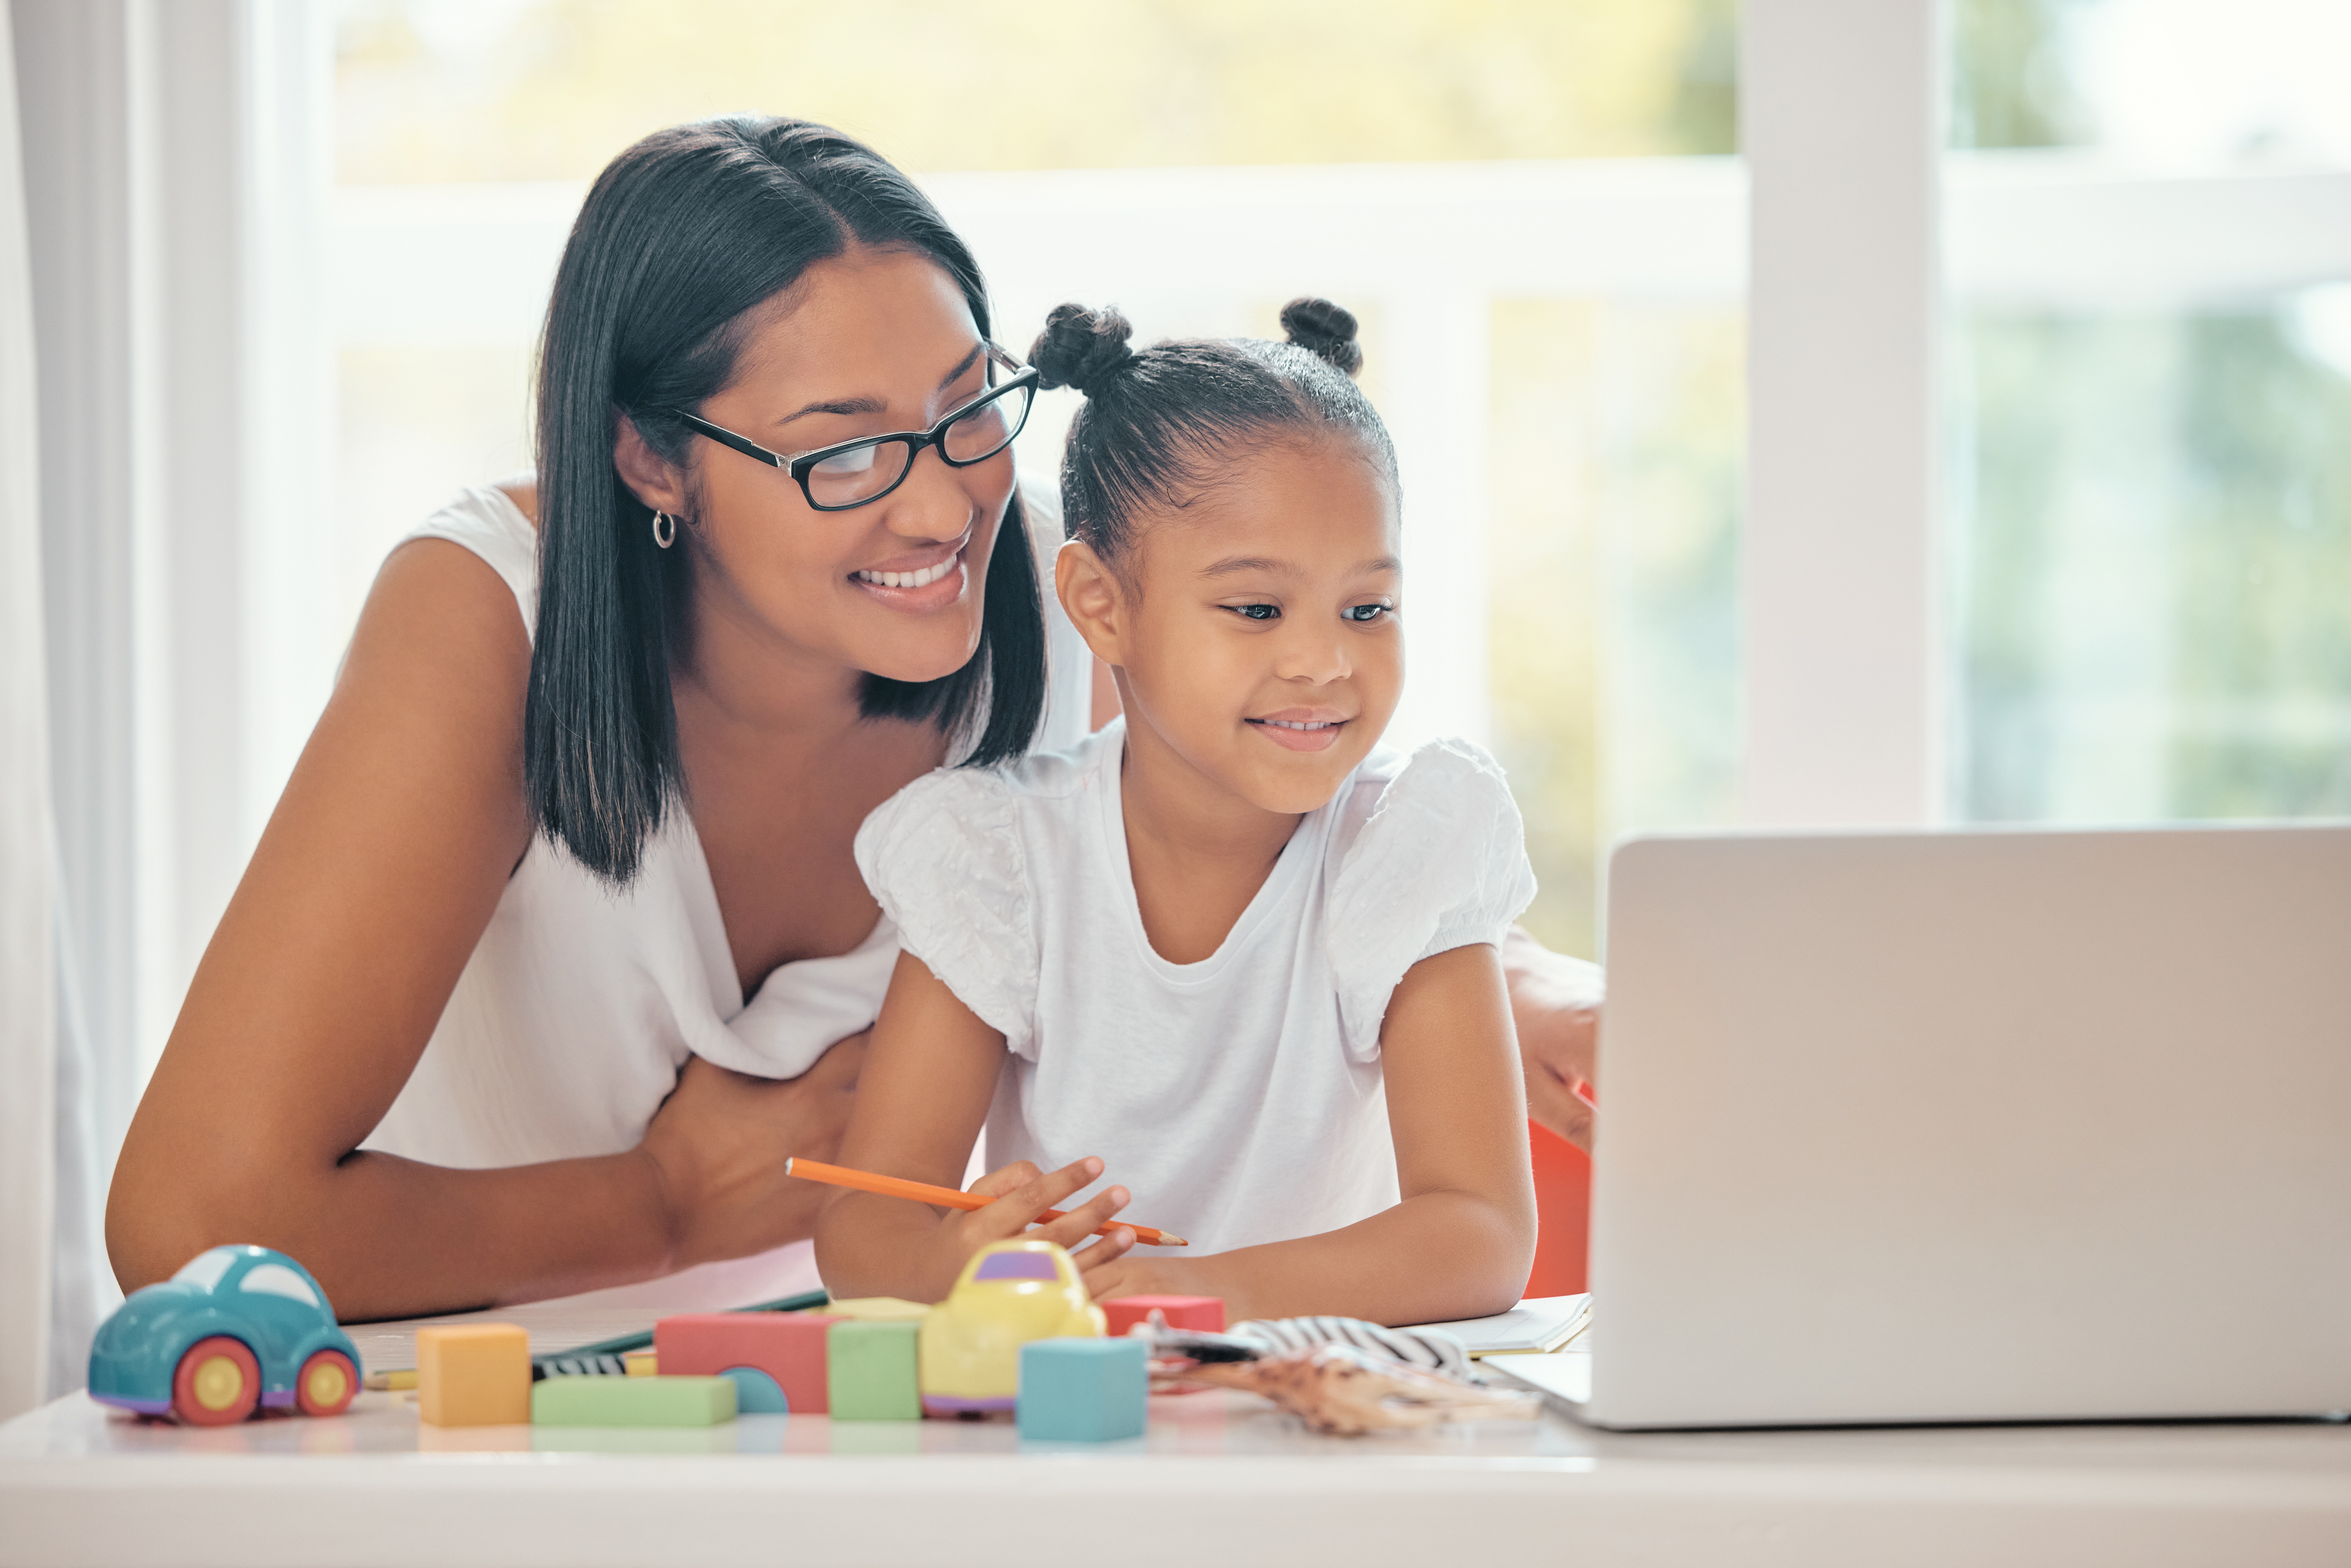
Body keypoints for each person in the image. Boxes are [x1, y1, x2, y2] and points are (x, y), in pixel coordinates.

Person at [105, 116, 1597, 1325]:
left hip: (859, 1386)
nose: (943, 500)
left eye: (966, 409)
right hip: (484, 1389)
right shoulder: (494, 612)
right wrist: (669, 1203)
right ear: (649, 458)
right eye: (850, 450)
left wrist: (1499, 985)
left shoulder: (1057, 585)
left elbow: (1222, 816)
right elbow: (190, 1222)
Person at [816, 301, 1537, 1325]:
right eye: (1256, 610)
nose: (1325, 661)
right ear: (1102, 604)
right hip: (1082, 1434)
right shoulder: (1005, 859)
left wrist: (1202, 1291)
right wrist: (955, 1261)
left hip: (1324, 1419)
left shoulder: (1403, 845)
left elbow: (1481, 1235)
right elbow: (861, 1228)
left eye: (1368, 608)